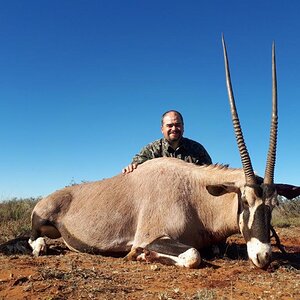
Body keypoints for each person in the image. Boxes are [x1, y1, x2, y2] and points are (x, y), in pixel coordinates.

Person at [122, 110, 212, 174]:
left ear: (183, 127)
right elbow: (135, 166)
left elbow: (210, 173)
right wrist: (131, 167)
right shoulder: (150, 150)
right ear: (162, 129)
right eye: (169, 125)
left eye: (177, 125)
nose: (174, 129)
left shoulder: (197, 149)